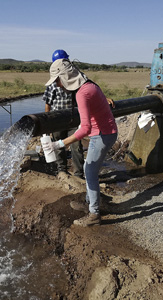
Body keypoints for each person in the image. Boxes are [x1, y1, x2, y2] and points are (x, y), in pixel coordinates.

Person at [43, 58, 118, 227]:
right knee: (88, 169)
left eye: (57, 80)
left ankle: (94, 214)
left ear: (66, 77)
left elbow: (84, 128)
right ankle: (89, 202)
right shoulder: (89, 85)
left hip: (102, 134)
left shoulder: (82, 93)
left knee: (90, 173)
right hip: (105, 132)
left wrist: (59, 144)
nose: (58, 85)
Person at [43, 51, 85, 179]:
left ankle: (78, 174)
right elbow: (48, 104)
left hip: (73, 118)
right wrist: (47, 122)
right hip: (57, 119)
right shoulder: (52, 84)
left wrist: (103, 98)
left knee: (76, 146)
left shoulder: (77, 79)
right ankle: (62, 171)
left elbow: (88, 91)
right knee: (58, 146)